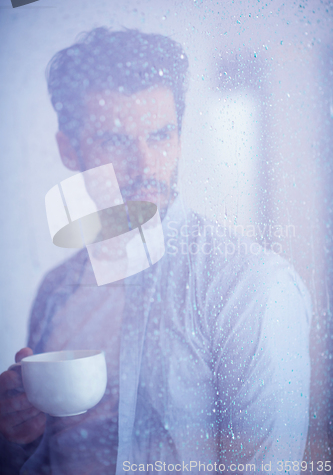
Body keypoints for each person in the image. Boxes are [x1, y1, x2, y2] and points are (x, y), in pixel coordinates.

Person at [0, 28, 312, 475]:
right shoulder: (55, 295)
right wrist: (15, 439)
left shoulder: (252, 287)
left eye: (161, 135)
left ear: (181, 137)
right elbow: (46, 463)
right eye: (116, 140)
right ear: (69, 150)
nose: (147, 165)